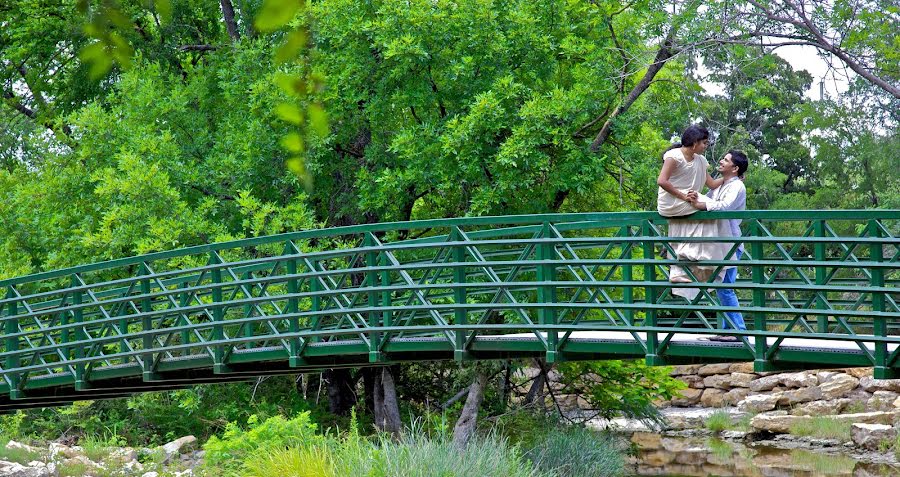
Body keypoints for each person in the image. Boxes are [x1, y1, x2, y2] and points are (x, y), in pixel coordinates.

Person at [656, 125, 724, 298]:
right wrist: (684, 196)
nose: (706, 146)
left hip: (689, 199)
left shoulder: (700, 160)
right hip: (672, 202)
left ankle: (699, 264)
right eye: (704, 143)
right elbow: (662, 181)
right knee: (709, 210)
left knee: (711, 209)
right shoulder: (674, 156)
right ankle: (693, 265)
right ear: (694, 143)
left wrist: (731, 176)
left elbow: (712, 184)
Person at [690, 150, 749, 341]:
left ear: (735, 168)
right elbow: (709, 200)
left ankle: (738, 332)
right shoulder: (720, 185)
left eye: (726, 160)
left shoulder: (737, 186)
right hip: (719, 242)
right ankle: (727, 331)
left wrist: (702, 204)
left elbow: (724, 206)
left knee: (725, 286)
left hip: (730, 242)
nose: (722, 161)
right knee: (721, 285)